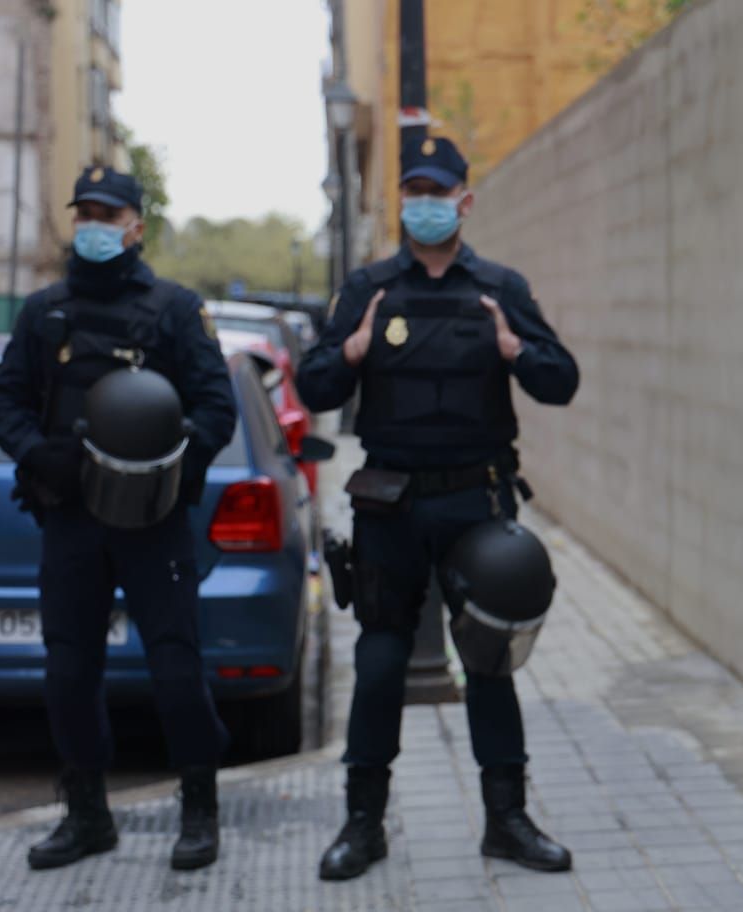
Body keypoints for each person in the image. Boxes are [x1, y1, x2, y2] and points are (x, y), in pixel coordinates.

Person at [298, 136, 580, 881]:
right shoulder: (367, 289)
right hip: (390, 507)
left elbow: (562, 381)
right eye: (414, 191)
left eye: (438, 191)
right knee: (382, 661)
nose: (425, 205)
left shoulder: (499, 286)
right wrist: (352, 351)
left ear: (464, 200)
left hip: (476, 504)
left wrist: (515, 347)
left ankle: (507, 822)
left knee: (490, 663)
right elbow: (314, 387)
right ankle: (363, 825)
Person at [0, 166, 236, 872]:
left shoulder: (174, 310)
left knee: (177, 669)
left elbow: (216, 408)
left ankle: (199, 807)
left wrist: (171, 473)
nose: (95, 224)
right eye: (85, 211)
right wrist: (40, 455)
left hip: (152, 524)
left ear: (136, 226)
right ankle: (88, 814)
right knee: (68, 672)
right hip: (71, 519)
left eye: (109, 212)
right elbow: (6, 402)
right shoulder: (44, 312)